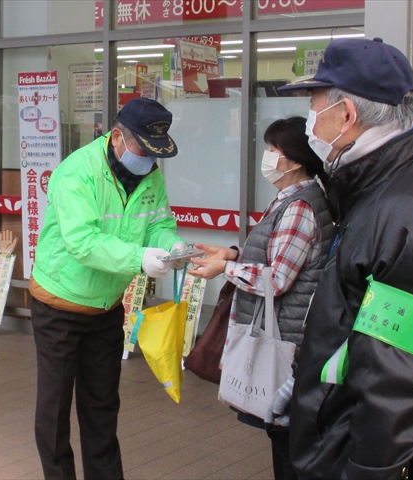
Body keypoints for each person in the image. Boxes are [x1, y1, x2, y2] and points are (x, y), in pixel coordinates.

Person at [278, 38, 413, 479]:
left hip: (376, 453)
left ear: (347, 115)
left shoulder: (404, 215)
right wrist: (306, 386)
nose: (310, 122)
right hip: (344, 428)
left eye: (315, 106)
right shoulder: (383, 189)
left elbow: (393, 385)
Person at [29, 97, 188, 480]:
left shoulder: (149, 175)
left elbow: (159, 223)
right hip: (59, 303)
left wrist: (171, 246)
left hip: (106, 307)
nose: (149, 161)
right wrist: (139, 259)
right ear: (117, 136)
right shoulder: (78, 172)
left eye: (155, 154)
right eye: (142, 149)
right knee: (55, 410)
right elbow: (82, 241)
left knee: (102, 407)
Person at [188, 116, 335, 480]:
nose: (267, 157)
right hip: (292, 333)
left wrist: (225, 270)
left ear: (295, 160)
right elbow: (277, 254)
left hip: (288, 341)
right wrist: (234, 254)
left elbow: (279, 278)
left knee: (288, 441)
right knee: (286, 437)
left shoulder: (300, 207)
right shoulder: (294, 199)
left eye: (273, 150)